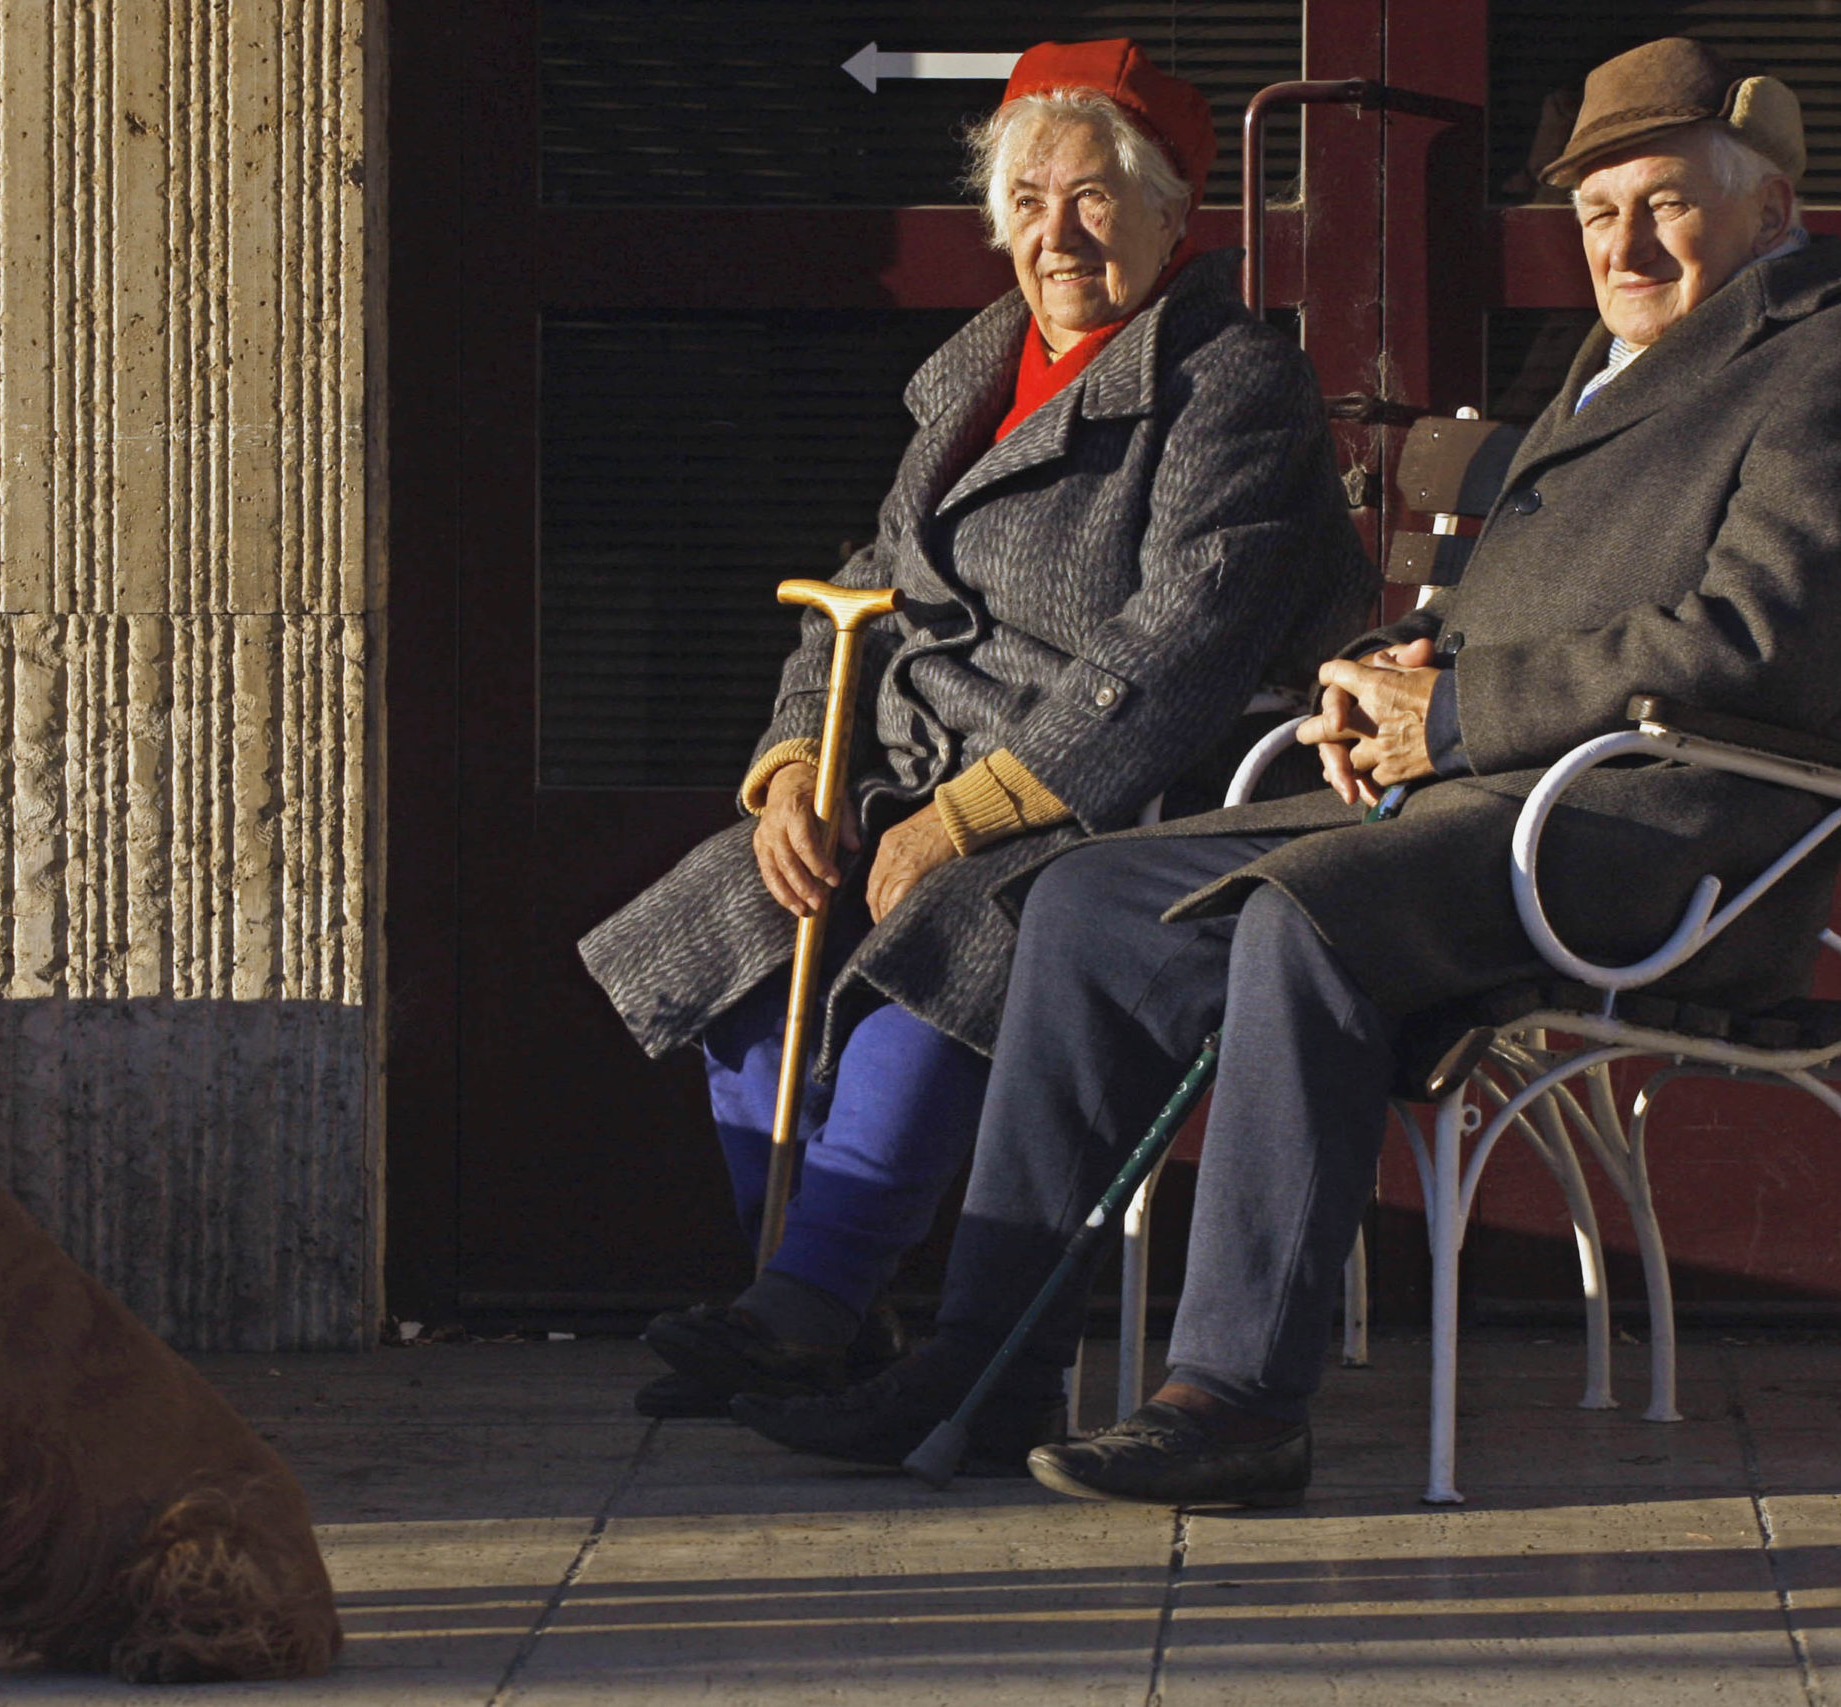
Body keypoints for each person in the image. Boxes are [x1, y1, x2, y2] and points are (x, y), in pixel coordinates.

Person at [735, 36, 1841, 1503]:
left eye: (1667, 205)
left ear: (1770, 210)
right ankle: (985, 1363)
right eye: (1597, 213)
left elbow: (1758, 644)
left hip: (1665, 834)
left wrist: (1453, 715)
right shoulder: (1623, 363)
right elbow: (1515, 621)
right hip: (1494, 803)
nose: (1624, 244)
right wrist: (1391, 678)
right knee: (1079, 903)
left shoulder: (1834, 367)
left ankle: (1236, 1396)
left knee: (1303, 916)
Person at [578, 40, 1367, 1421]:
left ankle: (808, 1297)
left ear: (1176, 212)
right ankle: (815, 1301)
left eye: (1096, 197)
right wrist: (789, 773)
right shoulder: (972, 376)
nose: (1057, 234)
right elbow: (858, 593)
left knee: (948, 924)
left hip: (1111, 800)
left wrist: (971, 813)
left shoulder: (1228, 382)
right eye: (1028, 198)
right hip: (908, 773)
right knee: (737, 910)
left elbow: (1182, 641)